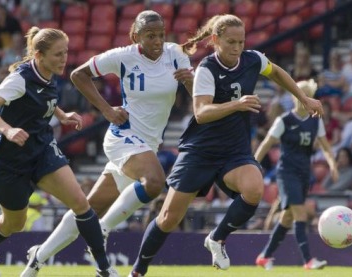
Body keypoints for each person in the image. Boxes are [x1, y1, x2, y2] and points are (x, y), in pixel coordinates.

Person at [128, 14, 324, 277]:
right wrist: (238, 104)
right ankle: (138, 270)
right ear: (215, 40)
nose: (237, 47)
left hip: (234, 150)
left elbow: (275, 71)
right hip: (200, 151)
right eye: (231, 41)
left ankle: (217, 238)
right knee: (168, 219)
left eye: (241, 41)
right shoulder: (207, 69)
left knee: (254, 188)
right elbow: (201, 112)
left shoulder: (252, 59)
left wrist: (302, 97)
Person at [21, 10, 194, 276]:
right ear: (136, 36)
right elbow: (79, 74)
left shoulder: (175, 54)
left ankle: (38, 257)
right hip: (123, 136)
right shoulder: (123, 55)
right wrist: (106, 110)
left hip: (148, 143)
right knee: (155, 181)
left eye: (161, 34)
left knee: (88, 208)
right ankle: (102, 230)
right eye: (150, 35)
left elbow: (198, 96)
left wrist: (191, 82)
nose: (158, 40)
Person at [0, 27, 117, 277]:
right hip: (9, 162)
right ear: (39, 55)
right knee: (14, 223)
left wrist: (61, 114)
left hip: (42, 151)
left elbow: (45, 98)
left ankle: (104, 269)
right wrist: (7, 130)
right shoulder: (19, 79)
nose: (64, 59)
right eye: (58, 54)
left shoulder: (49, 74)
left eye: (66, 53)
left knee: (81, 203)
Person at [255, 79, 338, 270]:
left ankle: (265, 256)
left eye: (307, 95)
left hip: (303, 174)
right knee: (300, 213)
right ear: (294, 97)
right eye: (300, 95)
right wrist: (253, 163)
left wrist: (332, 164)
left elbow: (326, 147)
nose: (303, 99)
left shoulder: (315, 121)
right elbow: (266, 143)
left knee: (287, 217)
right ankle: (308, 261)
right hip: (286, 173)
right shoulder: (284, 120)